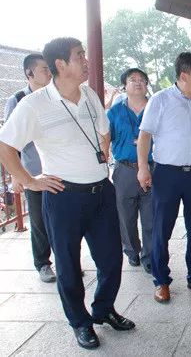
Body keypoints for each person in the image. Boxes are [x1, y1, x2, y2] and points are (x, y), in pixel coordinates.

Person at [0, 37, 135, 349]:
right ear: (60, 64)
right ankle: (80, 322)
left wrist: (99, 159)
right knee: (68, 265)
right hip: (64, 196)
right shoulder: (33, 105)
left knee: (112, 259)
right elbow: (6, 146)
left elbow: (104, 132)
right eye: (79, 56)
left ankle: (103, 310)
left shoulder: (88, 94)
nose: (86, 60)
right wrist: (30, 180)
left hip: (101, 192)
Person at [136, 52, 191, 304]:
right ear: (184, 76)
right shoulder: (160, 100)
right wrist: (143, 168)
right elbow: (144, 136)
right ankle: (161, 280)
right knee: (162, 228)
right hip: (167, 174)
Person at [3, 54, 55, 283]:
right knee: (38, 221)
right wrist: (17, 175)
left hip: (58, 169)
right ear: (29, 73)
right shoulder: (18, 99)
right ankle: (43, 263)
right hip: (33, 171)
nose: (49, 72)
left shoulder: (54, 97)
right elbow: (8, 141)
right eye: (44, 69)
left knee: (60, 219)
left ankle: (65, 261)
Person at [107, 68, 153, 274]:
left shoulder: (155, 108)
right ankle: (132, 251)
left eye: (142, 80)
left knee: (151, 215)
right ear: (124, 85)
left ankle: (150, 256)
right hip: (124, 169)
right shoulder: (114, 112)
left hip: (153, 168)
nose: (138, 83)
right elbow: (106, 139)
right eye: (132, 80)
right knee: (126, 216)